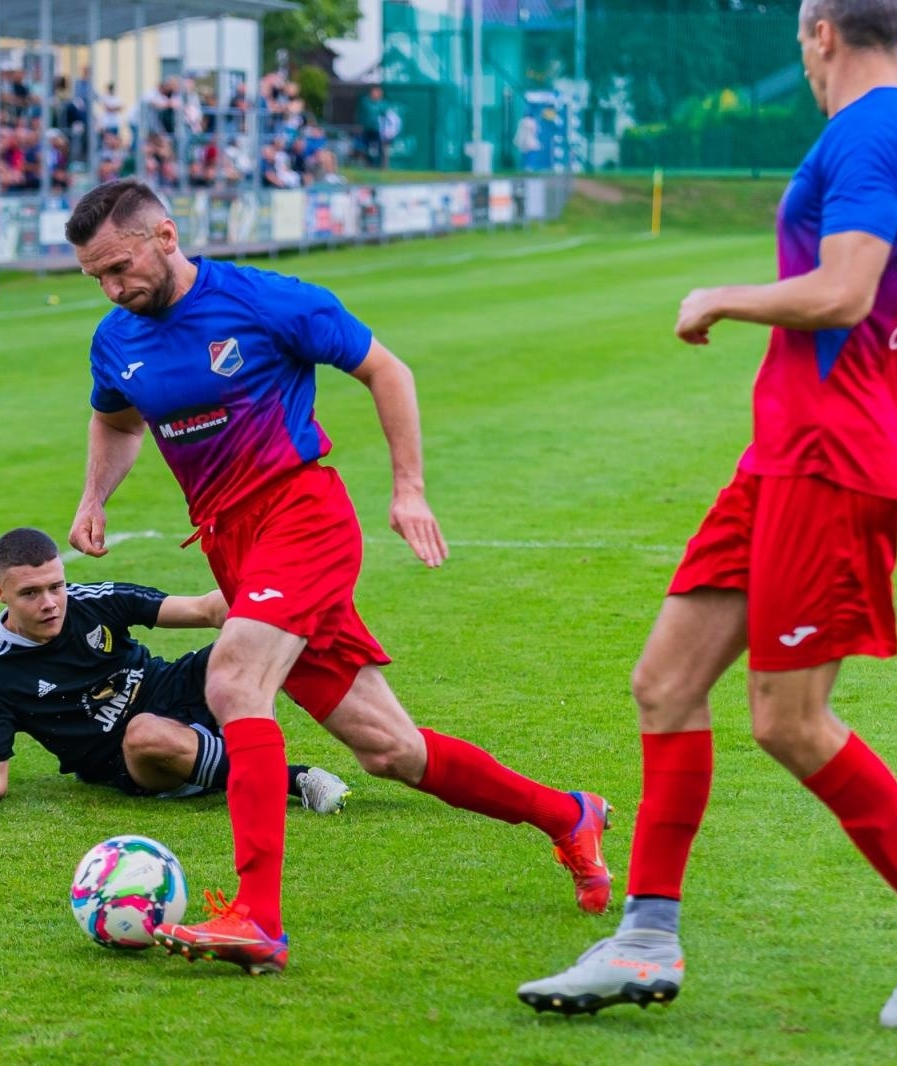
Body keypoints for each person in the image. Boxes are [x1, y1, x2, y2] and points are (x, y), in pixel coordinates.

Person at [519, 0, 897, 1030]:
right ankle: (645, 935)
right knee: (665, 682)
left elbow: (843, 292)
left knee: (788, 720)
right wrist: (879, 402)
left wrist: (721, 296)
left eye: (800, 38)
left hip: (826, 464)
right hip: (790, 458)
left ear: (821, 31)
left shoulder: (866, 132)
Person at [62, 179, 612, 976]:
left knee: (234, 681)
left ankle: (257, 917)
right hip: (232, 546)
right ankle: (569, 815)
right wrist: (94, 497)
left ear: (166, 236)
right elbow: (116, 420)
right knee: (391, 750)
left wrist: (408, 488)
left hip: (301, 518)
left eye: (120, 268)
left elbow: (387, 370)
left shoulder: (264, 301)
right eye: (97, 278)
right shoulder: (117, 339)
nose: (113, 289)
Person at [0, 527, 352, 814]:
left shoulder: (94, 601)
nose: (51, 603)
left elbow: (205, 609)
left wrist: (282, 591)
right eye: (30, 594)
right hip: (132, 755)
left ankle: (367, 738)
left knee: (264, 638)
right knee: (145, 732)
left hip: (175, 688)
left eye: (56, 586)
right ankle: (295, 779)